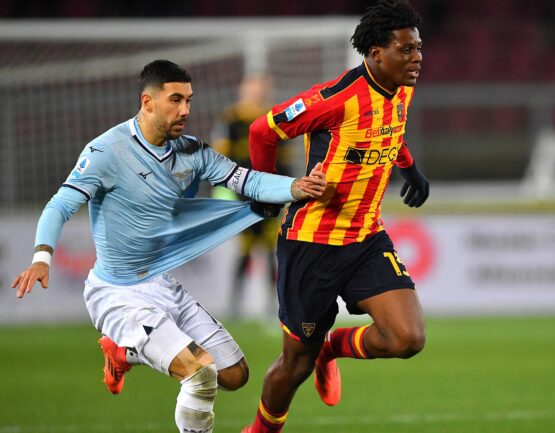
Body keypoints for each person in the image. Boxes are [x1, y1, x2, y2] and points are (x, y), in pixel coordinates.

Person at [11, 60, 326, 433]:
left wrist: (296, 187)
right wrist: (42, 257)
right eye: (175, 100)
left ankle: (123, 351)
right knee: (201, 374)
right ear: (147, 102)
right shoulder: (106, 151)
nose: (185, 110)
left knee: (235, 374)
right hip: (117, 293)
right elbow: (60, 204)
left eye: (189, 100)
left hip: (161, 283)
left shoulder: (191, 151)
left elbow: (245, 180)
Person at [242, 1, 429, 432]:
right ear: (376, 53)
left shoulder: (402, 87)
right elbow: (261, 130)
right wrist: (265, 189)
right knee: (295, 364)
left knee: (407, 338)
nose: (417, 58)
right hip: (313, 243)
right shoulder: (335, 98)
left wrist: (408, 166)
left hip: (366, 239)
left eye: (418, 48)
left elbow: (389, 131)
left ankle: (334, 347)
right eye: (407, 49)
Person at [210, 74, 289, 320]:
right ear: (243, 90)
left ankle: (270, 305)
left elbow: (284, 161)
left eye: (262, 87)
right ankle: (235, 304)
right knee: (244, 250)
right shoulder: (231, 119)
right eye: (254, 87)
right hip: (242, 195)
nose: (258, 92)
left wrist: (287, 192)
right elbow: (219, 158)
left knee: (270, 250)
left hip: (271, 194)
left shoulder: (274, 118)